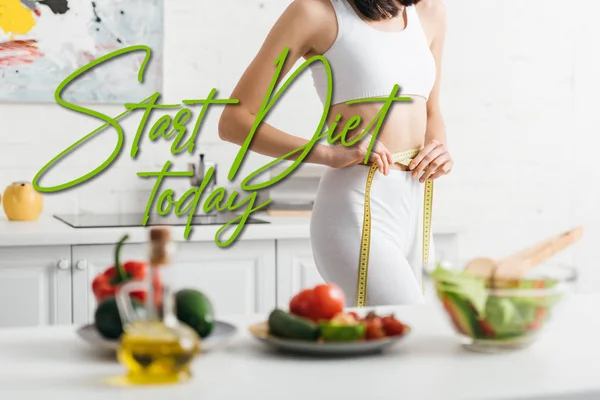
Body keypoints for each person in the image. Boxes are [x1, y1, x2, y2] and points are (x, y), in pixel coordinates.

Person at [219, 0, 453, 306]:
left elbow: (432, 110)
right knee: (409, 327)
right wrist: (327, 153)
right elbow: (234, 122)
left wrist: (439, 149)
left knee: (415, 339)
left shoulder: (429, 11)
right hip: (356, 209)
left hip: (416, 208)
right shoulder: (314, 12)